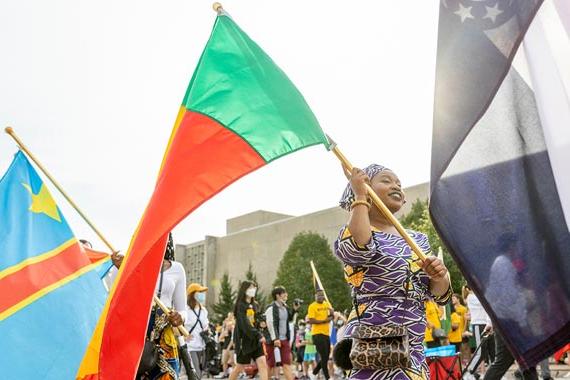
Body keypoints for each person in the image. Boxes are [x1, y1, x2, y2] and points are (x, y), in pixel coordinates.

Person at [334, 164, 452, 379]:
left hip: (412, 343)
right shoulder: (357, 230)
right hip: (375, 343)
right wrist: (360, 196)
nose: (396, 186)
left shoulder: (418, 239)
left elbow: (439, 294)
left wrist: (440, 275)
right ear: (367, 187)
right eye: (386, 180)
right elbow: (358, 248)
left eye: (399, 183)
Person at [229, 281, 268, 380]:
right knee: (239, 367)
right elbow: (244, 324)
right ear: (244, 289)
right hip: (244, 340)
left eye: (254, 287)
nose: (253, 290)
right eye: (250, 287)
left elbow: (257, 318)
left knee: (263, 364)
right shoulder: (240, 305)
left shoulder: (255, 304)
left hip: (255, 340)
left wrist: (261, 323)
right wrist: (258, 335)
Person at [264, 286, 300, 380]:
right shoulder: (271, 308)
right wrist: (275, 338)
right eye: (284, 293)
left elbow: (290, 319)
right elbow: (271, 324)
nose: (286, 295)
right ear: (277, 295)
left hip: (284, 340)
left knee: (287, 364)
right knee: (271, 365)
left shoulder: (285, 307)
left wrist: (295, 309)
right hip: (273, 341)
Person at [184, 283, 209, 379]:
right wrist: (184, 335)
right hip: (190, 346)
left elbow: (205, 325)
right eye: (200, 292)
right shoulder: (186, 310)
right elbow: (179, 325)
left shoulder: (203, 310)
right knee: (195, 373)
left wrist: (208, 331)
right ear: (193, 294)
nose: (202, 294)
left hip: (202, 345)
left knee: (200, 372)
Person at [307, 290, 334, 380]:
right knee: (323, 356)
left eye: (322, 295)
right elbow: (311, 320)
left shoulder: (326, 304)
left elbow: (331, 317)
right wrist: (324, 321)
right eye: (318, 296)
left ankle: (314, 373)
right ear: (315, 296)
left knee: (326, 356)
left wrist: (332, 313)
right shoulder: (312, 306)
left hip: (326, 333)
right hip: (317, 334)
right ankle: (327, 377)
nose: (320, 297)